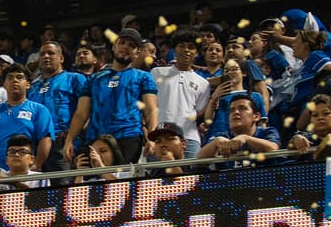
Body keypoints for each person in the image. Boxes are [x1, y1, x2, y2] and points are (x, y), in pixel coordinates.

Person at [63, 29, 158, 166]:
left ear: (137, 53)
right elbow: (81, 113)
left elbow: (151, 110)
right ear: (114, 46)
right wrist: (69, 140)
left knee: (122, 179)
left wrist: (151, 137)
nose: (125, 47)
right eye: (122, 43)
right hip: (95, 137)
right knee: (91, 178)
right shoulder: (93, 79)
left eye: (131, 45)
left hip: (128, 136)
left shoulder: (143, 77)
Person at [0, 65, 55, 171]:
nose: (14, 80)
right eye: (10, 77)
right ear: (4, 85)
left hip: (19, 170)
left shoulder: (39, 110)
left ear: (28, 84)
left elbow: (45, 138)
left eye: (19, 77)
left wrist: (37, 165)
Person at [151, 29, 211, 158]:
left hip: (189, 138)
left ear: (197, 53)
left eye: (191, 47)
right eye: (182, 46)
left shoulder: (203, 83)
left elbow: (199, 112)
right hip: (159, 136)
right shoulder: (156, 73)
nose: (186, 50)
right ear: (174, 50)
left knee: (191, 172)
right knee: (156, 172)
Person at [30, 42, 88, 173]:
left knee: (64, 183)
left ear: (61, 58)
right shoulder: (33, 87)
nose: (46, 56)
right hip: (37, 145)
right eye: (42, 54)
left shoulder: (75, 79)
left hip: (63, 143)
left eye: (51, 53)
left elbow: (88, 110)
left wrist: (74, 137)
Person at [203, 57, 267, 143]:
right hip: (217, 140)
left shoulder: (255, 96)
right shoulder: (218, 96)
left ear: (243, 73)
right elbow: (208, 121)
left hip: (245, 141)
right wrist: (214, 98)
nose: (230, 73)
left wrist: (262, 142)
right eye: (226, 70)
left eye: (234, 69)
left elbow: (261, 123)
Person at [198, 96, 280, 160]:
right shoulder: (222, 136)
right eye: (231, 110)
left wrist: (245, 138)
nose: (236, 112)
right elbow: (198, 163)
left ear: (256, 116)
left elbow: (274, 148)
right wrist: (216, 142)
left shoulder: (267, 132)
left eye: (242, 108)